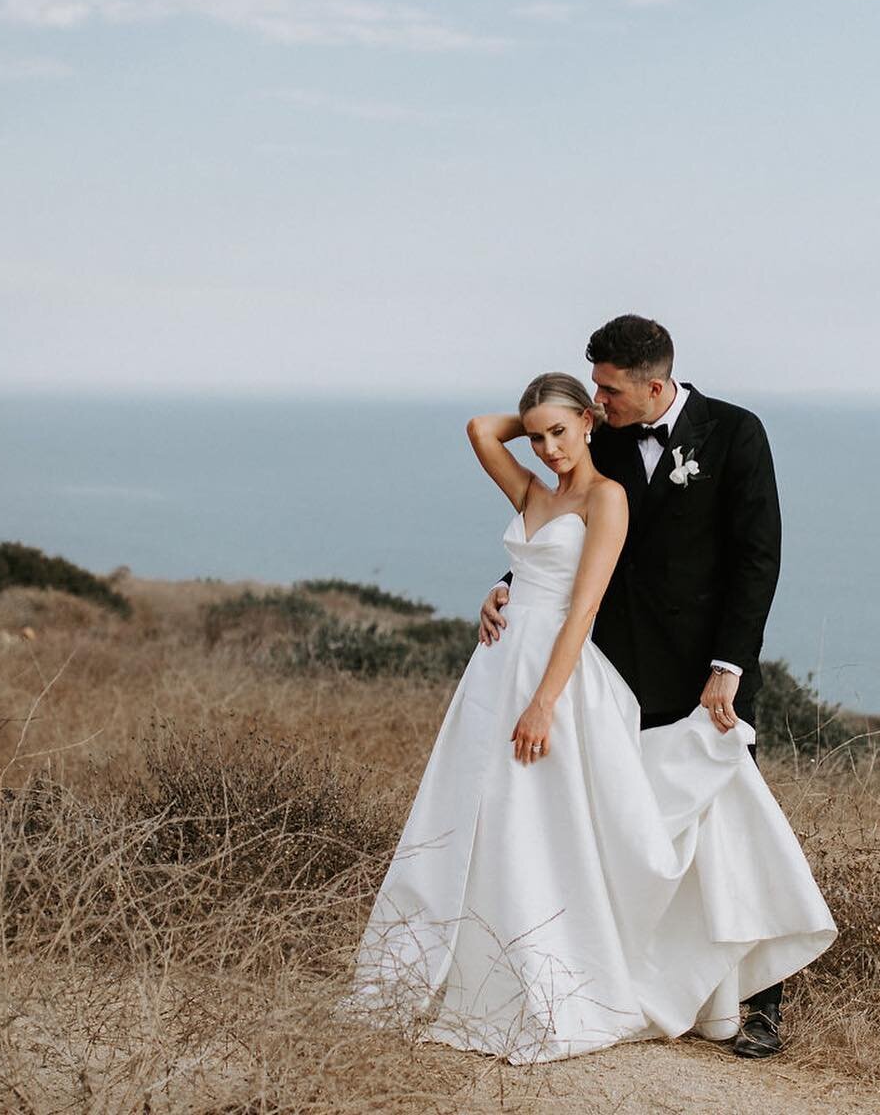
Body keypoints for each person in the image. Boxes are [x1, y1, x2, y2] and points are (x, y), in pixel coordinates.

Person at [350, 367, 834, 1064]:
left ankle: (751, 996)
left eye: (597, 402)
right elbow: (483, 435)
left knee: (659, 815)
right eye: (542, 433)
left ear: (647, 380)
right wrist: (553, 423)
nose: (548, 445)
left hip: (638, 667)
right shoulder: (548, 479)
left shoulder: (690, 450)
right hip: (499, 668)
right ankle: (476, 957)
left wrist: (548, 699)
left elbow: (739, 562)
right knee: (491, 815)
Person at [479, 314, 792, 1059]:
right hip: (612, 670)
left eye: (609, 388)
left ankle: (757, 1005)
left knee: (729, 827)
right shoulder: (605, 438)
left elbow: (758, 559)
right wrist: (505, 585)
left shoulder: (735, 434)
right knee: (626, 827)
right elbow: (568, 540)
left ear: (656, 384)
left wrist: (730, 666)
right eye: (593, 386)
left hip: (705, 674)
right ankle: (642, 983)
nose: (598, 399)